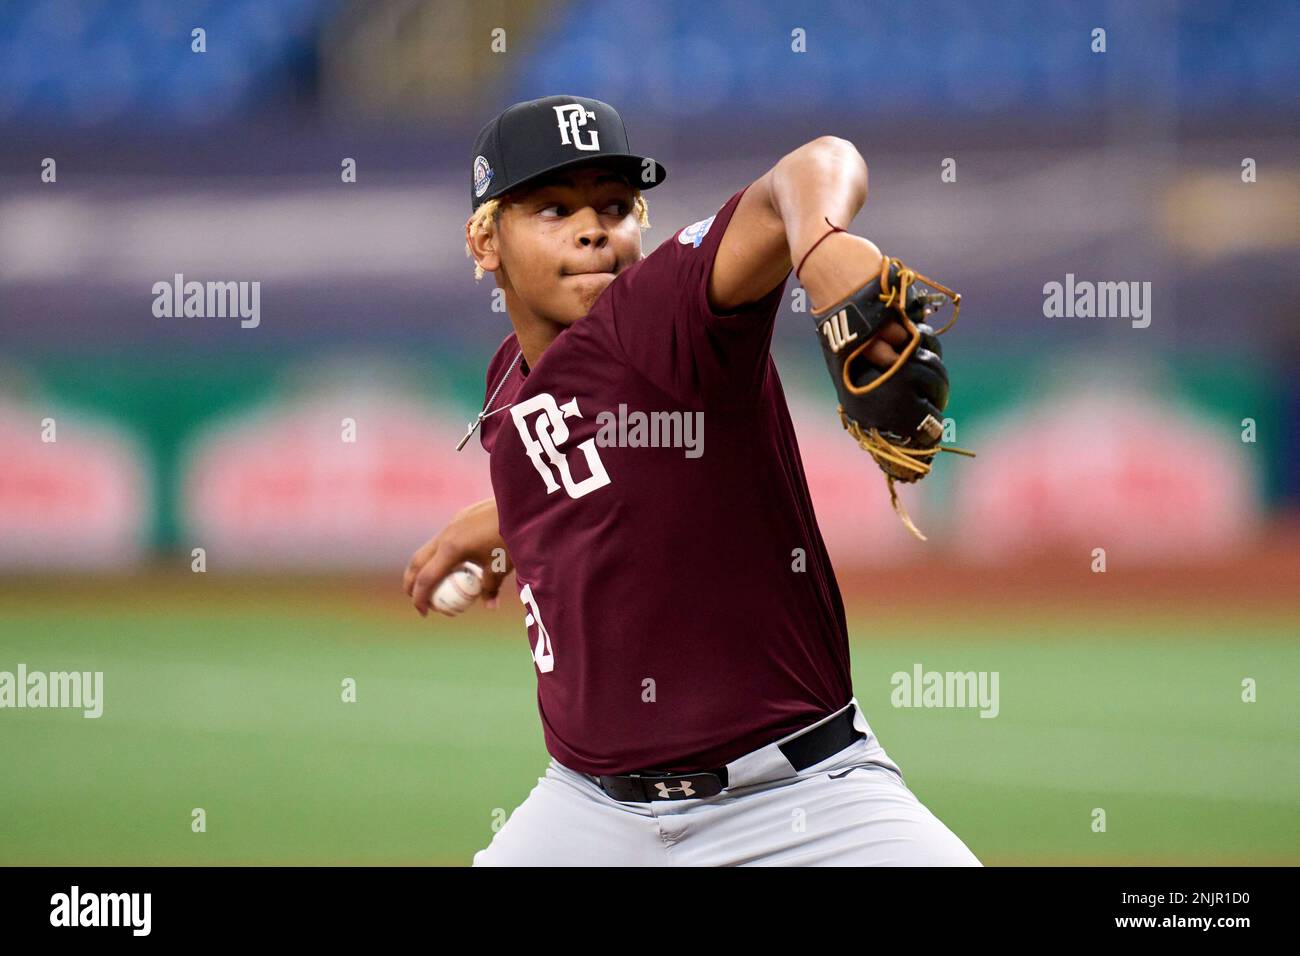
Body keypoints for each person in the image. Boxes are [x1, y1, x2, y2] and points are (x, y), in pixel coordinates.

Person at [404, 95, 980, 866]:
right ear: (484, 239)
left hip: (801, 802)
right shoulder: (507, 376)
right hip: (588, 811)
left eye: (614, 205)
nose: (593, 229)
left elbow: (809, 168)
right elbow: (601, 469)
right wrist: (503, 523)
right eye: (552, 208)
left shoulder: (664, 308)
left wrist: (823, 247)